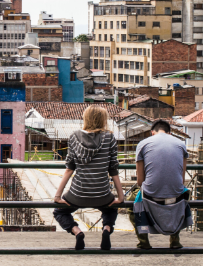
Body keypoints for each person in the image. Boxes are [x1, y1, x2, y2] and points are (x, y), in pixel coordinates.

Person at [53, 105, 124, 250]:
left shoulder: (73, 137)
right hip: (102, 193)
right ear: (103, 120)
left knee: (59, 211)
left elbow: (69, 169)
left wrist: (58, 196)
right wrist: (121, 196)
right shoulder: (109, 137)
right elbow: (113, 169)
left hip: (77, 193)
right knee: (111, 209)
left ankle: (77, 231)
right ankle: (106, 229)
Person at [128, 119, 190, 249]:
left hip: (151, 196)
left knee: (131, 203)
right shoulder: (181, 144)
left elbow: (140, 182)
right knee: (183, 192)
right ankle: (175, 240)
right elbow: (182, 179)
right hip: (177, 197)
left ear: (152, 133)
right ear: (170, 133)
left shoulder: (143, 144)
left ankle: (143, 242)